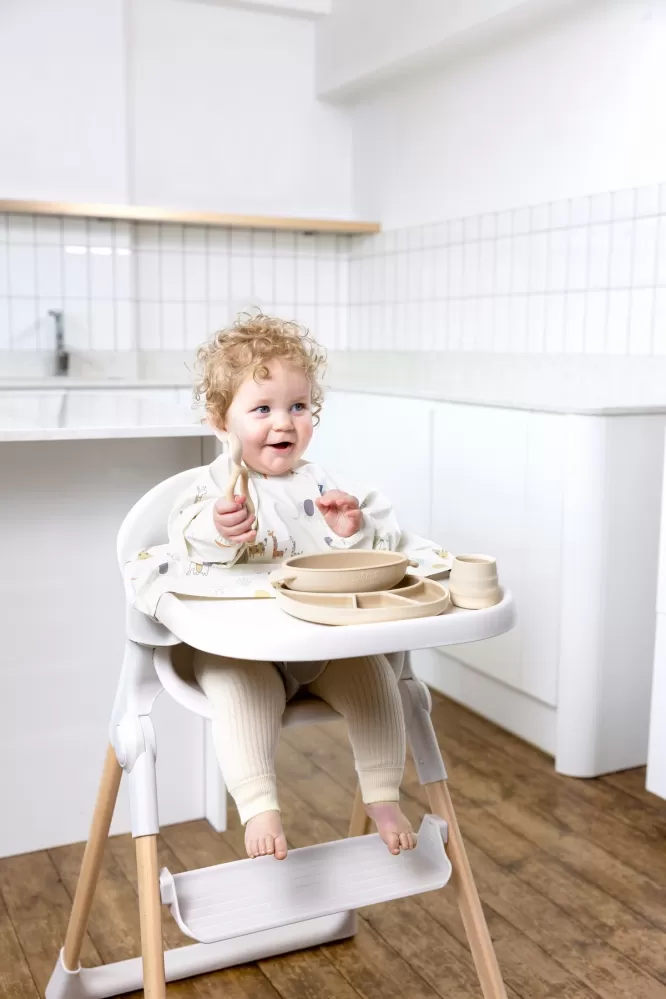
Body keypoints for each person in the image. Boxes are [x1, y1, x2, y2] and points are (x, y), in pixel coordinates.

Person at [128, 312, 450, 861]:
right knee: (242, 693)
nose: (284, 422)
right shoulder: (213, 488)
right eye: (262, 409)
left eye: (297, 406)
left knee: (376, 678)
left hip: (321, 647)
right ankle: (259, 805)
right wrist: (219, 528)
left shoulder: (318, 482)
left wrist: (349, 529)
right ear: (221, 421)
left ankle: (382, 794)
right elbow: (187, 541)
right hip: (241, 652)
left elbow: (353, 558)